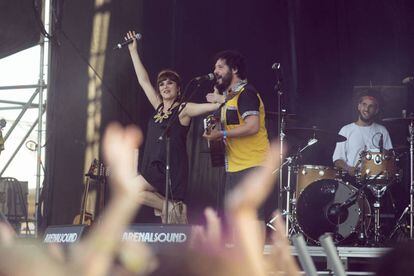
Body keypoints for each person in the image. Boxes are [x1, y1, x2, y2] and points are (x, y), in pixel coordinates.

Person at [125, 31, 221, 224]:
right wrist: (133, 52)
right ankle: (171, 208)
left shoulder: (183, 109)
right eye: (161, 84)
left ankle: (168, 205)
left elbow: (212, 106)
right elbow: (144, 82)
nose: (165, 86)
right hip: (152, 165)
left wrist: (220, 98)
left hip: (169, 168)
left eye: (170, 83)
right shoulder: (159, 106)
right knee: (170, 226)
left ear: (178, 88)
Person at [203, 50, 269, 241]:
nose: (215, 71)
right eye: (215, 67)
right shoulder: (230, 97)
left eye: (220, 67)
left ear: (235, 69)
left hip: (252, 163)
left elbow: (253, 126)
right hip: (235, 165)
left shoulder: (246, 94)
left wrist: (221, 133)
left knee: (253, 216)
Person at [333, 89, 393, 176]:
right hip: (352, 180)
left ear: (376, 110)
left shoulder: (382, 130)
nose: (367, 109)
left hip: (376, 179)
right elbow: (337, 160)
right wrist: (349, 169)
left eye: (371, 106)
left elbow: (389, 157)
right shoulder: (345, 130)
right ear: (359, 106)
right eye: (364, 104)